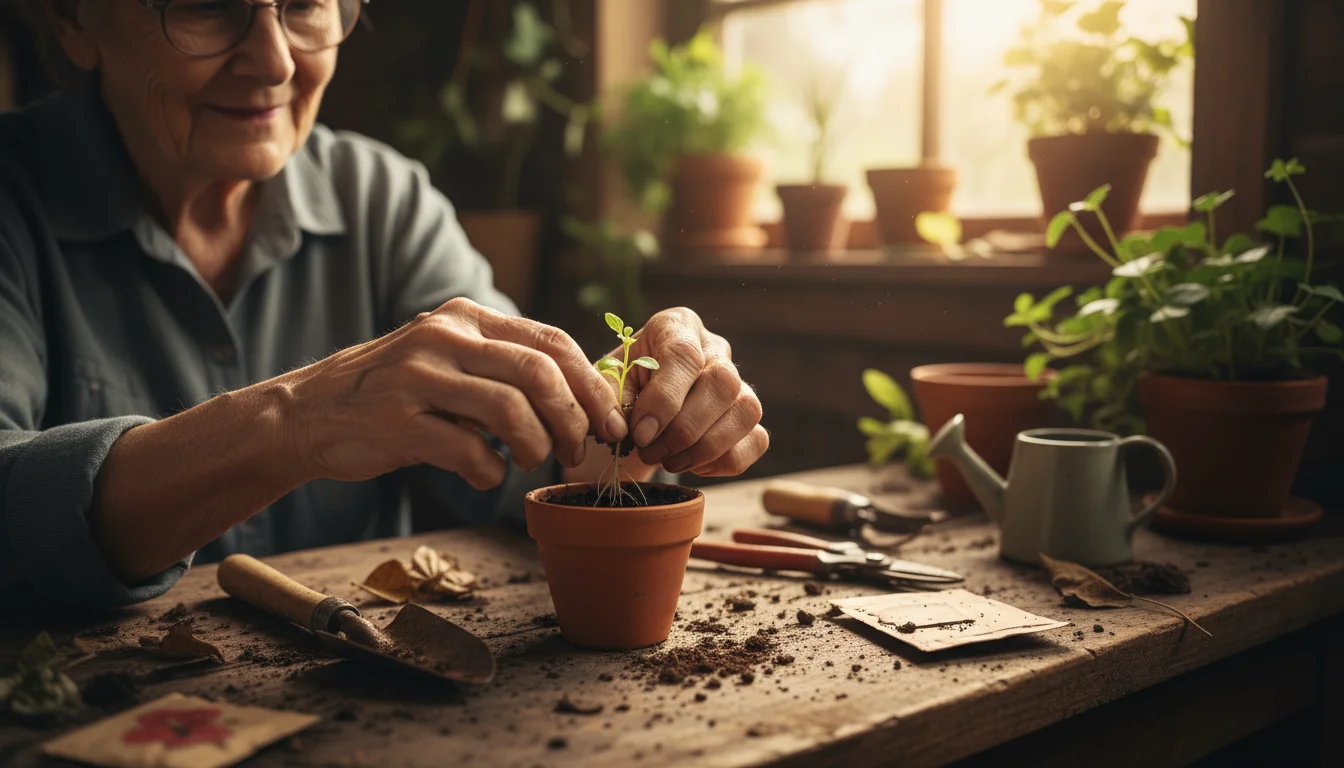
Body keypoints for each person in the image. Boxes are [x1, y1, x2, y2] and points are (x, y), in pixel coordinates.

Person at [0, 0, 767, 609]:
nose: (273, 61)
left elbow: (543, 447)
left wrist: (654, 409)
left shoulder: (385, 201)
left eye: (305, 5)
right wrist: (295, 419)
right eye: (205, 6)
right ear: (73, 18)